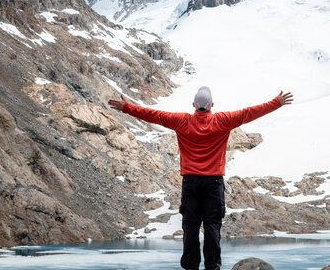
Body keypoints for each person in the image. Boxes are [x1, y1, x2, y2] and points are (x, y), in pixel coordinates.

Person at [108, 87, 293, 270]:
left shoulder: (181, 121)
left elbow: (153, 115)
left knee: (191, 227)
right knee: (212, 227)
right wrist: (276, 103)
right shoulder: (223, 120)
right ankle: (212, 267)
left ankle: (191, 266)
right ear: (212, 105)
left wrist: (126, 107)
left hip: (191, 182)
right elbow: (249, 113)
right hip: (213, 183)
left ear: (194, 105)